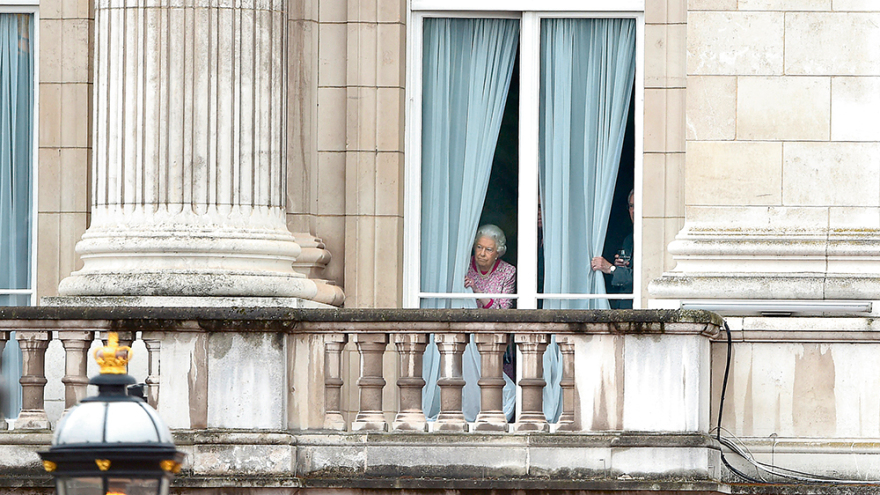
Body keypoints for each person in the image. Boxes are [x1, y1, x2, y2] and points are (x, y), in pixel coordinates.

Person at [590, 190, 634, 309]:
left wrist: (612, 268)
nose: (634, 211)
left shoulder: (652, 240)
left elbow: (643, 279)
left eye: (637, 205)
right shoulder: (629, 239)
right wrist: (620, 267)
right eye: (631, 206)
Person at [464, 224, 516, 309]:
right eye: (479, 247)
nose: (482, 253)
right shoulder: (464, 265)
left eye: (489, 249)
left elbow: (503, 311)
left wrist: (477, 291)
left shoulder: (507, 272)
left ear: (498, 252)